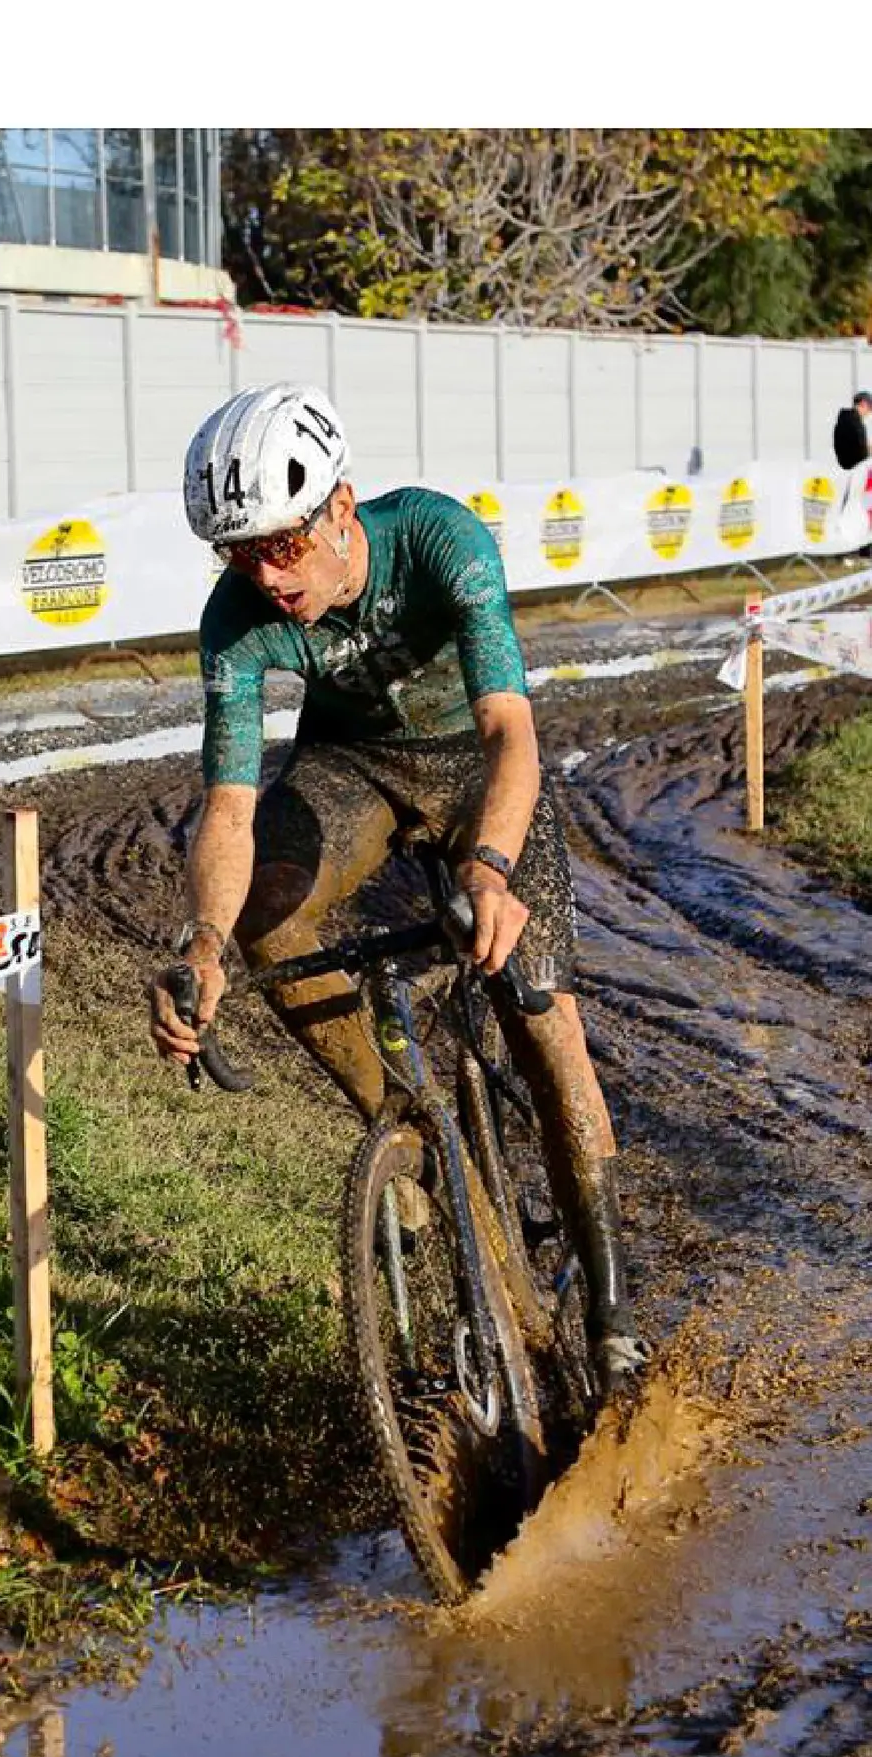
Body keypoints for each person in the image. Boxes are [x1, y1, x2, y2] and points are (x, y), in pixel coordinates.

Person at [148, 383, 647, 1391]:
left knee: (542, 1016)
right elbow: (231, 808)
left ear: (340, 508)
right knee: (258, 914)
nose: (265, 575)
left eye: (281, 545)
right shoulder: (236, 618)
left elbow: (513, 733)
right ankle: (416, 1132)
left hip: (476, 764)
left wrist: (491, 868)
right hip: (354, 767)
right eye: (238, 553)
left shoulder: (437, 538)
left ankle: (609, 1301)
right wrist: (201, 938)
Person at [832, 390, 871, 472]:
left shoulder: (845, 419)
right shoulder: (855, 423)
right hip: (856, 470)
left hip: (848, 468)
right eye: (870, 408)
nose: (869, 413)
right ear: (863, 403)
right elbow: (861, 452)